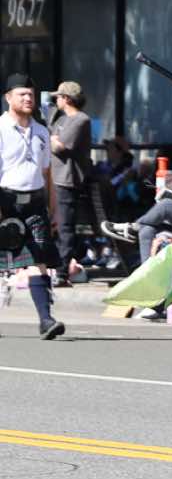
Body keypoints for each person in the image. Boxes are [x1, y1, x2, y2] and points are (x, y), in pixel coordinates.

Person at [1, 73, 64, 338]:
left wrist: (54, 209)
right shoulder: (0, 129)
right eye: (22, 94)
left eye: (31, 94)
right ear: (8, 98)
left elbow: (47, 174)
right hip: (5, 202)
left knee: (40, 258)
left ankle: (46, 320)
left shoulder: (41, 131)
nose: (28, 98)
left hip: (36, 204)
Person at [48, 81, 95, 284]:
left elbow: (59, 147)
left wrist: (50, 138)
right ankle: (55, 265)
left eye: (58, 97)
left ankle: (62, 272)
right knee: (54, 225)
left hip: (67, 179)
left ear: (66, 98)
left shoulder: (81, 120)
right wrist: (52, 138)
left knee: (65, 226)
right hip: (54, 178)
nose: (56, 101)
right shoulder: (61, 119)